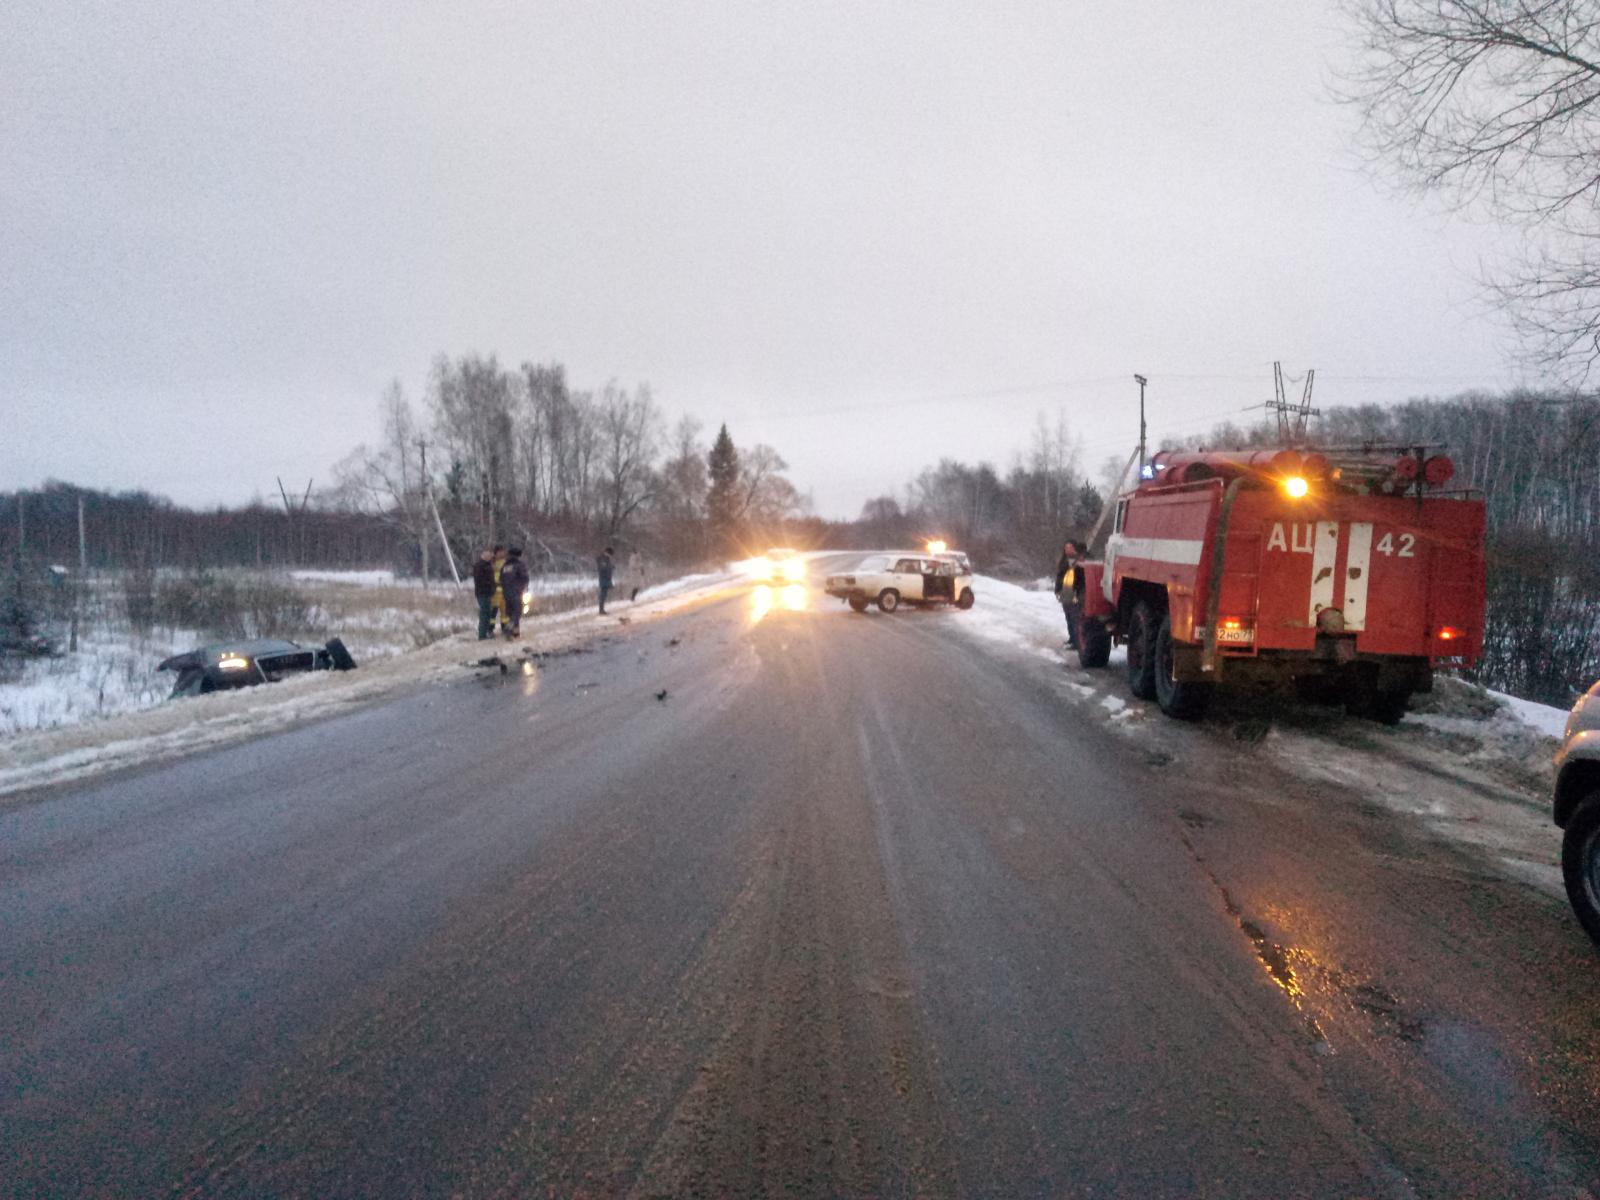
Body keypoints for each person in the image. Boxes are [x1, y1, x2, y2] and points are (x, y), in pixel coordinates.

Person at [1054, 538, 1086, 650]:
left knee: (1075, 617)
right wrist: (1057, 590)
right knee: (1068, 617)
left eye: (1070, 547)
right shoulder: (1063, 560)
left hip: (1076, 592)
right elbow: (1059, 576)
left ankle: (1077, 642)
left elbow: (1082, 578)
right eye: (1066, 547)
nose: (1068, 549)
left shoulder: (1080, 560)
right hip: (1065, 591)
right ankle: (1072, 638)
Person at [500, 546, 530, 639]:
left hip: (505, 592)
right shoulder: (519, 565)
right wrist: (524, 587)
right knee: (517, 611)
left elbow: (501, 578)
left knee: (510, 612)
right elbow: (524, 577)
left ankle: (515, 633)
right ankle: (509, 627)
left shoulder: (505, 565)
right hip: (516, 591)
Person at [472, 546, 499, 640]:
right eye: (488, 554)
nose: (491, 556)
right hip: (483, 592)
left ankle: (484, 632)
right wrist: (490, 585)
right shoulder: (480, 566)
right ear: (483, 554)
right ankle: (482, 634)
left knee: (487, 613)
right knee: (485, 613)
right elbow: (480, 580)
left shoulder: (488, 565)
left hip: (487, 592)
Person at [490, 545, 509, 636]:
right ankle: (490, 629)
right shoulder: (491, 562)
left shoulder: (506, 563)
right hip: (495, 591)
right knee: (493, 610)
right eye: (500, 552)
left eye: (503, 552)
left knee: (504, 610)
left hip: (504, 590)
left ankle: (504, 627)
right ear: (496, 553)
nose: (502, 553)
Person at [597, 546, 615, 614]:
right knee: (603, 595)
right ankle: (601, 610)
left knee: (604, 594)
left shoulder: (606, 559)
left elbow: (607, 566)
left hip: (607, 578)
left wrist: (611, 567)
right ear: (607, 552)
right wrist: (609, 567)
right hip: (603, 578)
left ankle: (602, 609)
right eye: (610, 554)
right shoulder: (602, 558)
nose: (610, 556)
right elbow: (602, 568)